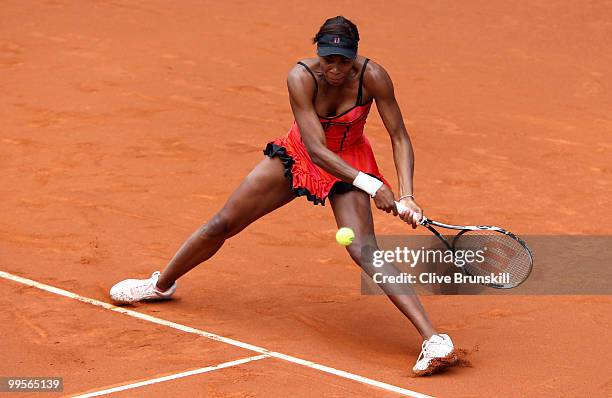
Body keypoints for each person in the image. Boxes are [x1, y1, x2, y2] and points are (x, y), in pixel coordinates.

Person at [110, 16, 457, 376]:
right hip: (302, 155)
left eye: (343, 60)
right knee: (223, 222)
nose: (335, 69)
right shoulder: (300, 77)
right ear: (318, 54)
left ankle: (434, 339)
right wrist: (371, 185)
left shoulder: (374, 76)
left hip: (351, 157)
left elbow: (398, 135)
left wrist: (408, 194)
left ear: (355, 56)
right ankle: (160, 284)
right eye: (328, 59)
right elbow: (316, 150)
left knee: (364, 251)